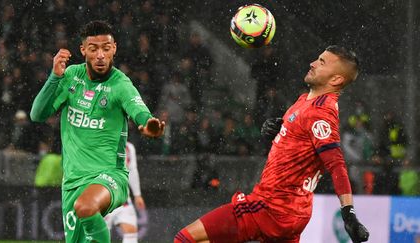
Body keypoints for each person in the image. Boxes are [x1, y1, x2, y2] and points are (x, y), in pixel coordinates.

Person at [175, 45, 369, 243]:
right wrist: (280, 129)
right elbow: (301, 142)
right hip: (292, 212)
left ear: (336, 79)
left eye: (322, 62)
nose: (312, 64)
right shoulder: (305, 100)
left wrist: (348, 213)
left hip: (271, 206)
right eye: (317, 58)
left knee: (185, 239)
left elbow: (336, 165)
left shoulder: (321, 114)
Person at [30, 20, 164, 242]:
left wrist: (150, 124)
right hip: (72, 182)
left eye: (106, 48)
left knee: (86, 205)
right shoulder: (71, 76)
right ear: (83, 50)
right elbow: (37, 114)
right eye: (94, 49)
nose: (100, 55)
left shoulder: (121, 84)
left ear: (114, 49)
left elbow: (140, 112)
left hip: (110, 176)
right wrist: (54, 76)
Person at [105, 141, 146, 243]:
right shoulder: (99, 143)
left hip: (124, 200)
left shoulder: (128, 147)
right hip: (104, 199)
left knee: (131, 232)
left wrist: (137, 195)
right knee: (99, 236)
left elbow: (132, 170)